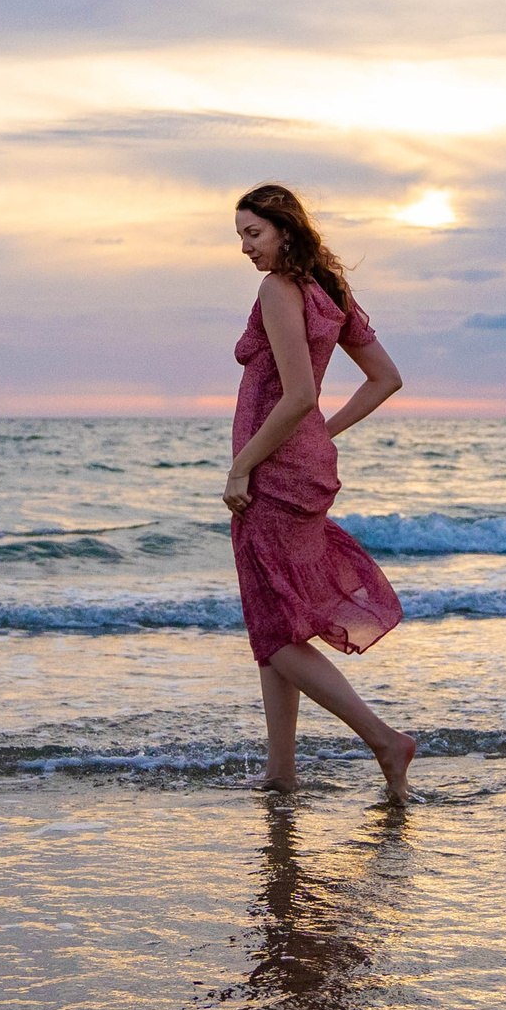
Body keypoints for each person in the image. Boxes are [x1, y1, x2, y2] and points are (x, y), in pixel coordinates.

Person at [223, 183, 416, 801]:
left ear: (284, 229)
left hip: (275, 471)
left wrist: (242, 467)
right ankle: (282, 772)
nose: (246, 248)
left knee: (273, 631)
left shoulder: (279, 289)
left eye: (253, 233)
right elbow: (385, 378)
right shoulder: (328, 291)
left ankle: (385, 740)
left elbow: (299, 394)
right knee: (277, 624)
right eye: (240, 236)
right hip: (299, 463)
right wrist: (319, 436)